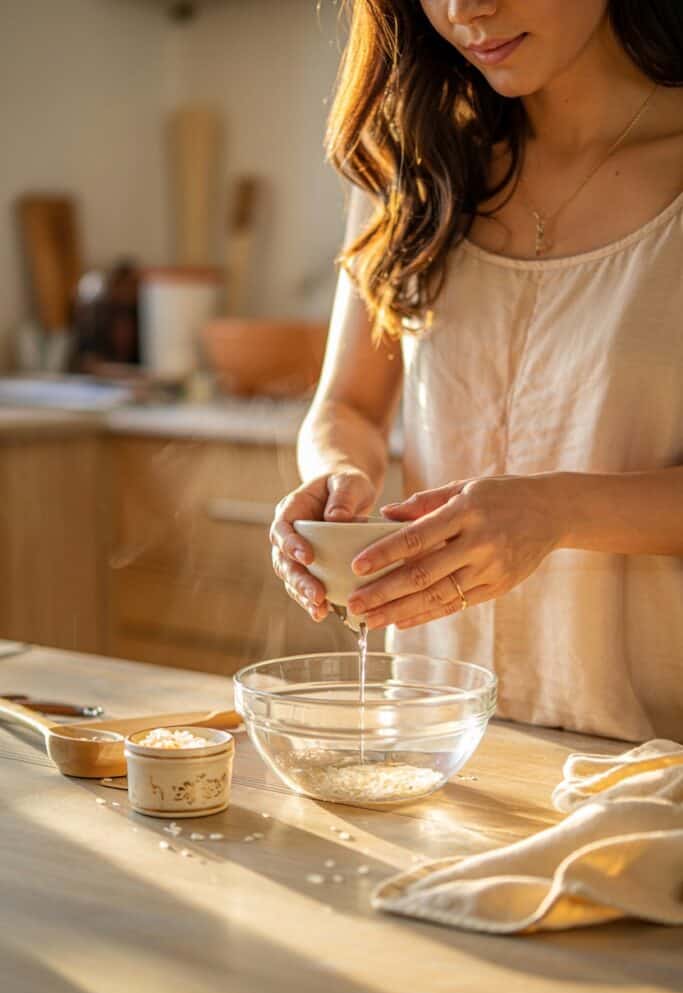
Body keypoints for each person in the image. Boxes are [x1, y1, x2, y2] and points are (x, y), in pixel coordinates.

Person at [270, 1, 683, 742]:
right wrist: (337, 478)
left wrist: (557, 511)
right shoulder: (412, 165)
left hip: (652, 753)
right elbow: (351, 407)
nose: (464, 10)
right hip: (437, 728)